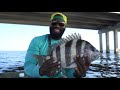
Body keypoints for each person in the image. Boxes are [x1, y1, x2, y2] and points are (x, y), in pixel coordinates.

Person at [24, 12, 91, 78]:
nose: (57, 26)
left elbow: (68, 73)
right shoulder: (37, 40)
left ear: (65, 27)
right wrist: (40, 70)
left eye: (61, 24)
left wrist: (77, 74)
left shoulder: (68, 45)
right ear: (50, 24)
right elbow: (28, 66)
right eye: (54, 23)